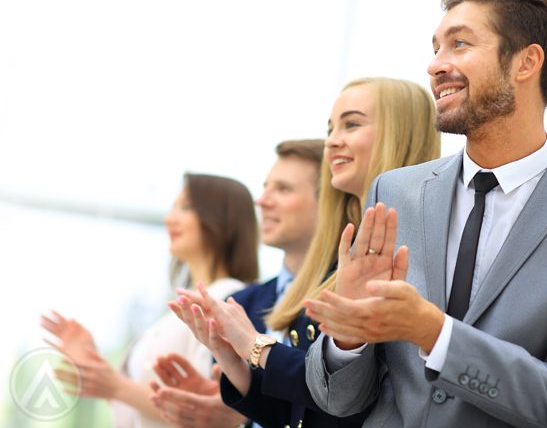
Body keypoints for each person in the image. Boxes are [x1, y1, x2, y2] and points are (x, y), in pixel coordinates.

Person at [303, 0, 547, 427]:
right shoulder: (395, 192)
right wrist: (348, 340)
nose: (435, 65)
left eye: (460, 44)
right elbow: (340, 400)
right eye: (435, 48)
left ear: (526, 63)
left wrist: (434, 333)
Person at [168, 77, 441, 428]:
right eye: (330, 128)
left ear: (399, 135)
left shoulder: (419, 255)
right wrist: (234, 360)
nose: (332, 141)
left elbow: (355, 405)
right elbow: (307, 411)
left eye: (351, 124)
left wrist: (255, 345)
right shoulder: (335, 265)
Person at [41, 174, 258, 428]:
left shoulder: (229, 299)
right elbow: (144, 412)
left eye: (186, 207)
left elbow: (206, 409)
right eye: (172, 208)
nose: (169, 218)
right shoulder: (179, 308)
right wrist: (100, 371)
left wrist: (114, 385)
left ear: (220, 218)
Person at [149, 139, 324, 427]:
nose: (262, 200)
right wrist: (235, 395)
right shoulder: (243, 302)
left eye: (284, 188)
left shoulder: (340, 294)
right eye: (266, 187)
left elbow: (332, 398)